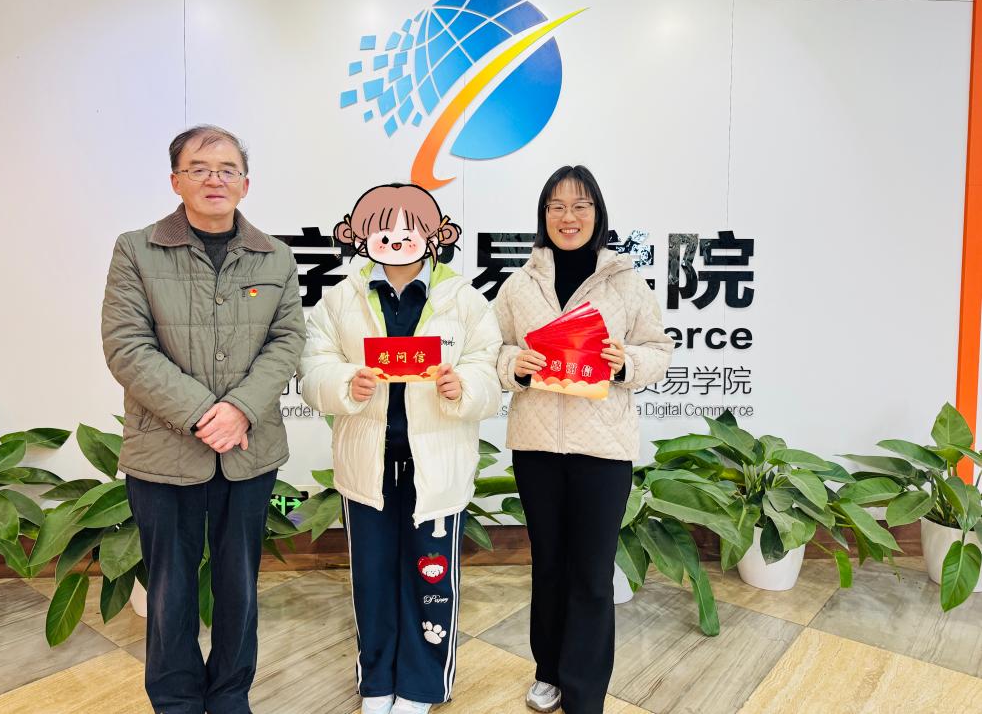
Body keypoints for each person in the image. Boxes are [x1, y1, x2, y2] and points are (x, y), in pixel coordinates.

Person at [101, 125, 305, 714]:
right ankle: (175, 699)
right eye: (199, 168)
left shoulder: (275, 255)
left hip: (249, 448)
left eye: (226, 169)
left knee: (240, 582)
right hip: (163, 451)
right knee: (170, 585)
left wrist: (239, 409)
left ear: (245, 183)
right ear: (175, 180)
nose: (214, 179)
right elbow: (126, 345)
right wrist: (200, 414)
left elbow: (288, 340)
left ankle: (231, 693)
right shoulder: (136, 249)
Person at [300, 183, 501, 714]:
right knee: (371, 578)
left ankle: (421, 685)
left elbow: (488, 369)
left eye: (410, 230)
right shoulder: (340, 297)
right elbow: (313, 367)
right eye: (382, 231)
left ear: (436, 235)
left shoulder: (463, 298)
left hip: (436, 464)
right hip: (367, 463)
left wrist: (465, 387)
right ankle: (376, 683)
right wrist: (345, 382)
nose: (396, 239)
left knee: (431, 579)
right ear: (359, 236)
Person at [493, 165, 673, 714]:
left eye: (580, 206)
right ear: (543, 215)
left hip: (603, 450)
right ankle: (548, 672)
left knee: (592, 572)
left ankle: (585, 691)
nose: (567, 217)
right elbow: (490, 350)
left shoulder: (625, 283)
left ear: (597, 214)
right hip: (537, 448)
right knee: (548, 564)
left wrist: (626, 362)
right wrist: (514, 364)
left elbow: (659, 351)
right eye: (556, 206)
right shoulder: (519, 285)